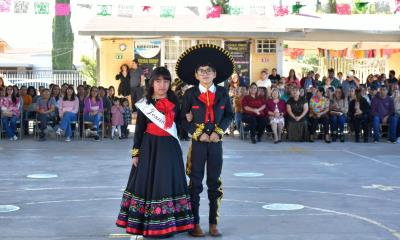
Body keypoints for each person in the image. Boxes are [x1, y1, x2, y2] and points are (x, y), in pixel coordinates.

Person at [116, 67, 194, 238]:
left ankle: (170, 224)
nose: (162, 85)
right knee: (149, 182)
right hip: (150, 148)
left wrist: (188, 120)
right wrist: (135, 153)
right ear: (152, 83)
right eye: (158, 81)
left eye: (166, 81)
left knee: (168, 181)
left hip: (170, 148)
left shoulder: (176, 102)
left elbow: (181, 127)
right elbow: (139, 130)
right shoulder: (146, 103)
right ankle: (149, 224)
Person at [177, 44, 234, 237]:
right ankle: (195, 224)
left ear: (215, 73)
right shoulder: (190, 94)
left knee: (214, 183)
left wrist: (219, 131)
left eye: (209, 71)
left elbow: (229, 116)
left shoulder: (223, 93)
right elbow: (183, 119)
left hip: (216, 144)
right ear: (196, 74)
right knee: (195, 184)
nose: (205, 73)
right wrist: (196, 132)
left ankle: (213, 223)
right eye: (201, 71)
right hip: (198, 145)